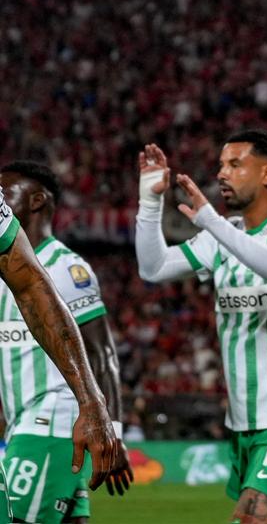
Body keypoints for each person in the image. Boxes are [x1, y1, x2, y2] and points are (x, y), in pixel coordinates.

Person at [133, 131, 267, 524]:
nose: (221, 173)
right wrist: (149, 200)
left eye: (235, 164)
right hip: (246, 422)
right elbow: (153, 268)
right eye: (221, 165)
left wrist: (211, 222)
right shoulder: (226, 233)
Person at [0, 162, 131, 523]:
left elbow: (103, 353)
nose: (1, 198)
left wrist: (114, 430)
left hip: (52, 421)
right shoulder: (5, 267)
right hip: (22, 423)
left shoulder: (65, 268)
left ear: (37, 200)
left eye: (7, 191)